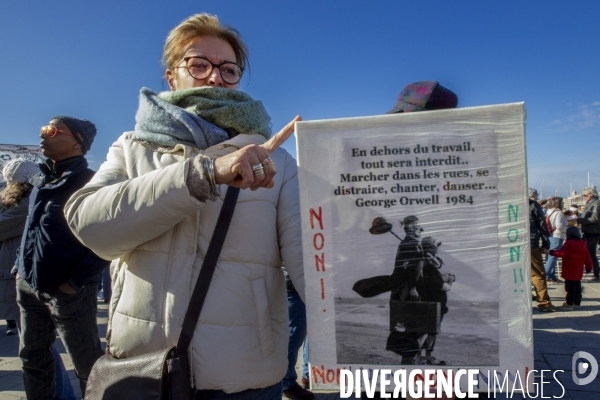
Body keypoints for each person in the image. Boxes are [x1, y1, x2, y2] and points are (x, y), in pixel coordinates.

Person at [65, 13, 304, 399]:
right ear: (172, 76)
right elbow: (89, 225)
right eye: (199, 64)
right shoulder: (132, 147)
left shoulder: (275, 161)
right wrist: (201, 175)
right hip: (143, 366)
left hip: (243, 375)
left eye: (229, 69)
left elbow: (311, 265)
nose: (214, 78)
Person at [15, 117, 108, 399]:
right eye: (44, 129)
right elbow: (32, 227)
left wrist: (74, 281)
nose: (43, 135)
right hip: (29, 287)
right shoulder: (42, 179)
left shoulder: (90, 182)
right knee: (33, 360)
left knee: (88, 366)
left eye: (52, 131)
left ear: (77, 141)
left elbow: (109, 238)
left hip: (69, 292)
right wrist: (21, 265)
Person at [0, 160, 38, 336]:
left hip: (16, 270)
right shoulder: (23, 203)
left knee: (30, 336)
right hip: (17, 269)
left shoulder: (22, 206)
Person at [282, 267, 313, 400]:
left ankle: (307, 374)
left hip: (302, 284)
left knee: (310, 330)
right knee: (295, 336)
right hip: (295, 286)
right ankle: (286, 383)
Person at [549, 226, 592, 309]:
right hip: (578, 270)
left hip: (569, 270)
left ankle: (569, 303)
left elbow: (561, 253)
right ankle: (577, 302)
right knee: (577, 286)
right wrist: (589, 268)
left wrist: (551, 252)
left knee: (570, 288)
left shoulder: (568, 244)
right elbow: (588, 258)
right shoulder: (583, 245)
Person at [528, 188, 557, 312]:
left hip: (509, 245)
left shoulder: (507, 203)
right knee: (538, 274)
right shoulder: (532, 205)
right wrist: (546, 243)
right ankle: (544, 303)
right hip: (531, 244)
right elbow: (542, 225)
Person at [576, 187, 600, 282]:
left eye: (585, 195)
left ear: (591, 195)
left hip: (593, 232)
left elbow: (594, 219)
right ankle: (590, 271)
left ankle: (596, 274)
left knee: (591, 253)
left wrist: (578, 220)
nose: (584, 197)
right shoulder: (590, 203)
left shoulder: (596, 203)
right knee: (587, 252)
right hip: (588, 231)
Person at [544, 196, 567, 283]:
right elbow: (559, 226)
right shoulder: (559, 213)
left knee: (550, 255)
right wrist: (567, 229)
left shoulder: (549, 212)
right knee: (553, 256)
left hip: (550, 235)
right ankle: (546, 274)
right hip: (558, 235)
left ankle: (551, 275)